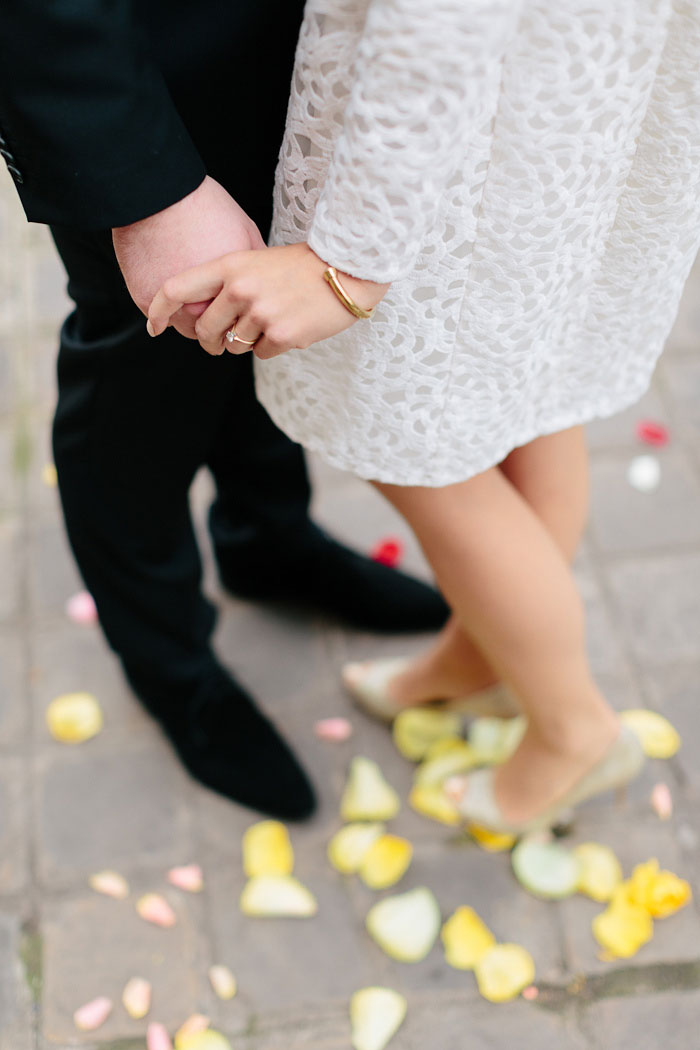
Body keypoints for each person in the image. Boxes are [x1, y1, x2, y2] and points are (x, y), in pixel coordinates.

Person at [147, 0, 700, 834]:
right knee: (528, 386)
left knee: (418, 439)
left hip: (458, 124)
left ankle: (571, 728)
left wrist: (348, 264)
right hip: (585, 69)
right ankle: (485, 653)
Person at [0, 0, 451, 823]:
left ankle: (267, 539)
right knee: (140, 375)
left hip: (305, 44)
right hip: (151, 71)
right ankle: (168, 663)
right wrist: (146, 186)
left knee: (267, 329)